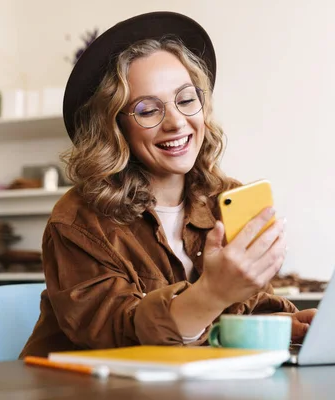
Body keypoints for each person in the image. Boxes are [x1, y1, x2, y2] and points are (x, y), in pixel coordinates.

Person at [20, 11, 316, 358]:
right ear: (114, 127)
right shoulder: (78, 220)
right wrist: (211, 293)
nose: (176, 122)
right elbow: (117, 334)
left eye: (186, 99)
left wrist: (287, 326)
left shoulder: (225, 200)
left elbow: (243, 311)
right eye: (148, 110)